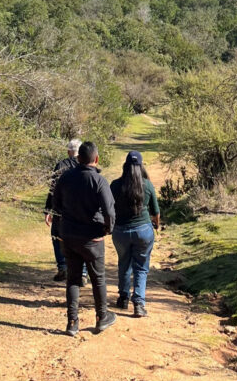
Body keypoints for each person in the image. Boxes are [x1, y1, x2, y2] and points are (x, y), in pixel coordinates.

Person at [52, 140, 117, 337]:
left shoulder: (64, 178)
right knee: (98, 278)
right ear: (96, 159)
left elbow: (56, 205)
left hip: (69, 236)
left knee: (72, 279)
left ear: (78, 158)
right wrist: (107, 229)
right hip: (92, 238)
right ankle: (101, 317)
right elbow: (109, 212)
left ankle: (72, 323)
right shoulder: (99, 181)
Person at [109, 151, 160, 317]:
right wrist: (156, 225)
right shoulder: (147, 185)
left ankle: (123, 298)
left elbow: (109, 209)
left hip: (120, 231)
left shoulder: (115, 185)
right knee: (141, 267)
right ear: (141, 167)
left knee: (124, 263)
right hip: (143, 231)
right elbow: (156, 212)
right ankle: (138, 303)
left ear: (125, 166)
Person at [44, 139, 81, 282]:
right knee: (81, 239)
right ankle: (82, 273)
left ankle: (62, 267)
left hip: (61, 210)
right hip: (80, 210)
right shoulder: (85, 165)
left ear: (68, 152)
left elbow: (52, 189)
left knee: (56, 236)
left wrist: (48, 210)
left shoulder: (61, 165)